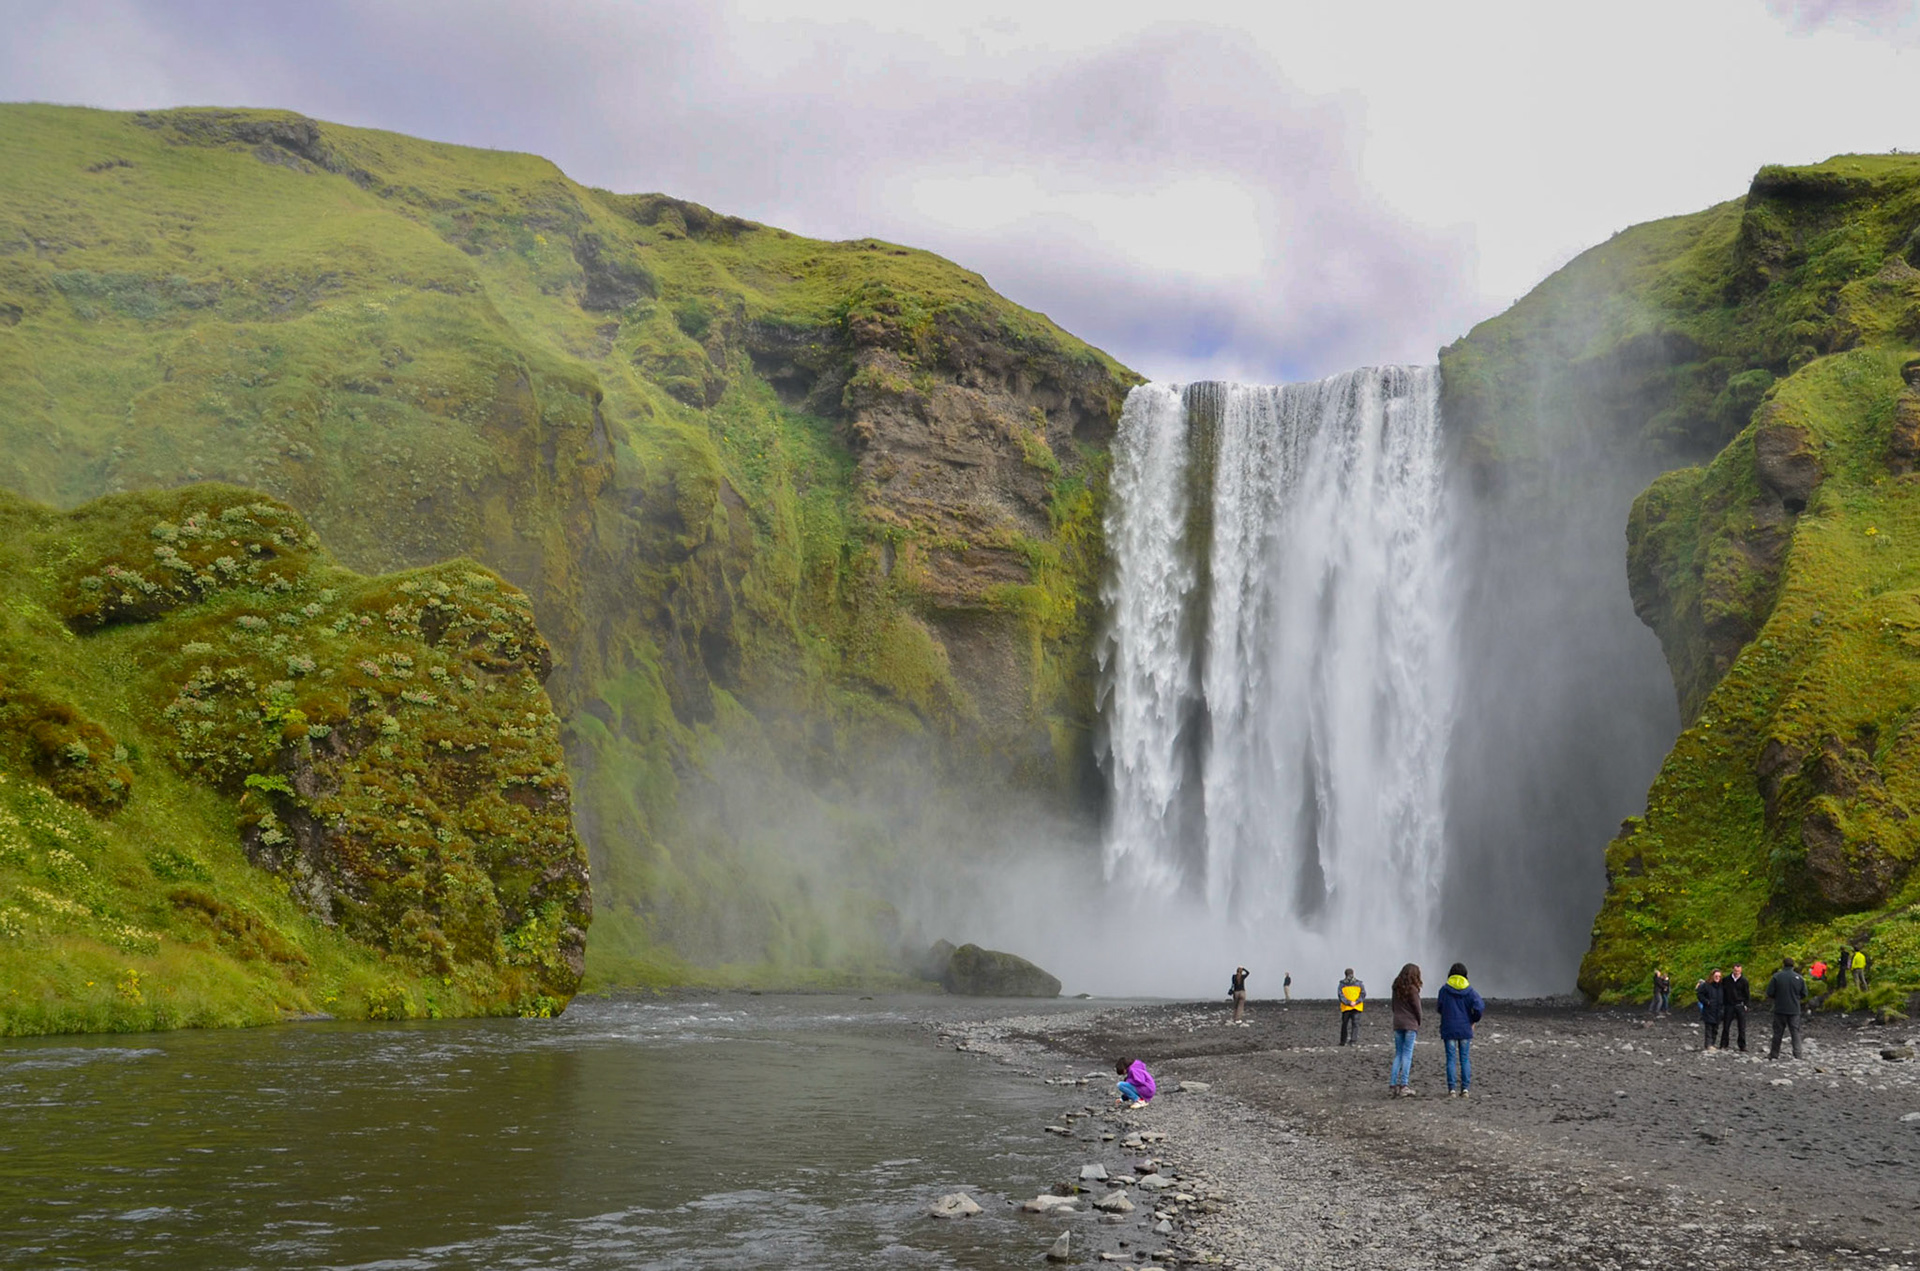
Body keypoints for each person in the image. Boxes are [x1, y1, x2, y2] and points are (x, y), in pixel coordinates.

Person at [1436, 962, 1485, 1098]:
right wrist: (1474, 1020)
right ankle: (1465, 1089)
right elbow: (1480, 1006)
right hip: (1465, 1028)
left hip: (1449, 1028)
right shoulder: (1469, 991)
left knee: (1451, 1059)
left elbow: (1439, 1007)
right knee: (1464, 1059)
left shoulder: (1444, 990)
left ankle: (1452, 1089)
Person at [1388, 963, 1422, 1097]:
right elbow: (1417, 1008)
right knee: (1407, 1055)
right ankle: (1404, 1085)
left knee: (1398, 1054)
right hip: (1410, 1025)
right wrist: (1418, 1021)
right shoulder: (1413, 989)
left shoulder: (1396, 988)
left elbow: (1393, 1006)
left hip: (1398, 1024)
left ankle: (1393, 1085)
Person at [1766, 957, 1807, 1059]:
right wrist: (1796, 998)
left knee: (1778, 1033)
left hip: (1780, 1008)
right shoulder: (1799, 978)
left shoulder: (1777, 977)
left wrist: (1778, 997)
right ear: (1793, 966)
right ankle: (1798, 1054)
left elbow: (1770, 992)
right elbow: (1804, 993)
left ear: (1783, 964)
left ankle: (1774, 1054)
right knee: (1795, 1032)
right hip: (1794, 1009)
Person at [1721, 963, 1750, 1052]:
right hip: (1729, 1005)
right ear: (1732, 970)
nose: (1736, 972)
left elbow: (1747, 994)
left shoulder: (1744, 981)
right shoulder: (1726, 980)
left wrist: (1746, 1005)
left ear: (1741, 970)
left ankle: (1742, 1045)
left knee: (1742, 1027)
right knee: (1726, 1026)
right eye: (1735, 970)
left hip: (1739, 1005)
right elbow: (1723, 992)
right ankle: (1724, 1044)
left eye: (1738, 971)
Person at [1697, 970, 1724, 1050]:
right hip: (1709, 1009)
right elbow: (1699, 994)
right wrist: (1706, 1002)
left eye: (1719, 976)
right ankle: (1708, 1045)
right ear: (1712, 976)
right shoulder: (1706, 985)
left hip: (1718, 1010)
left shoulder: (1722, 986)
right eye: (1716, 976)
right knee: (1709, 1028)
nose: (1717, 978)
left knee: (1715, 1029)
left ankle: (1713, 1043)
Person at [1338, 969, 1366, 1045]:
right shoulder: (1359, 983)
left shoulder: (1342, 984)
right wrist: (1355, 1002)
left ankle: (1345, 1041)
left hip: (1349, 1007)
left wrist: (1349, 1002)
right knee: (1354, 1024)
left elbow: (1341, 996)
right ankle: (1351, 1041)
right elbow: (1362, 994)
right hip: (1355, 1006)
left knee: (1346, 1024)